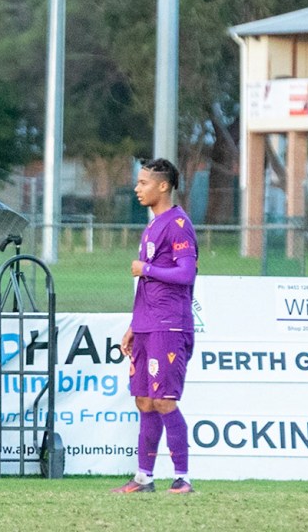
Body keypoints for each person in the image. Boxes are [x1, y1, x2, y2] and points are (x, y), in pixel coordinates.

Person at [114, 158, 198, 494]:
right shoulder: (152, 225)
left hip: (169, 325)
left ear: (163, 186)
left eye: (143, 182)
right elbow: (147, 285)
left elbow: (186, 274)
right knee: (145, 402)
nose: (137, 188)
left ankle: (183, 478)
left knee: (164, 399)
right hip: (148, 324)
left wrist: (146, 269)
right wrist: (134, 326)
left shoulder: (178, 224)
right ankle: (143, 478)